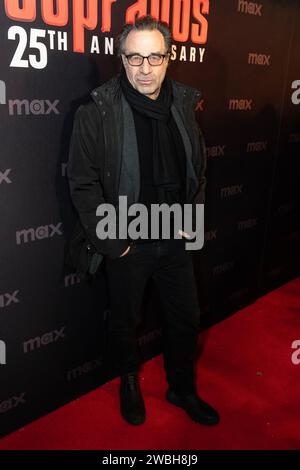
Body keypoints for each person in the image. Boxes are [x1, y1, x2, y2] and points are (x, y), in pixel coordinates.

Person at [68, 15, 219, 426]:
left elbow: (199, 170)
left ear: (169, 58)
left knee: (186, 318)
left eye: (155, 56)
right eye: (135, 57)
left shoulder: (184, 104)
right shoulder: (97, 111)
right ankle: (129, 380)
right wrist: (113, 241)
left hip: (173, 235)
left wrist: (192, 218)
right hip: (126, 236)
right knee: (125, 321)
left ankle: (182, 387)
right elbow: (82, 185)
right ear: (122, 58)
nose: (146, 68)